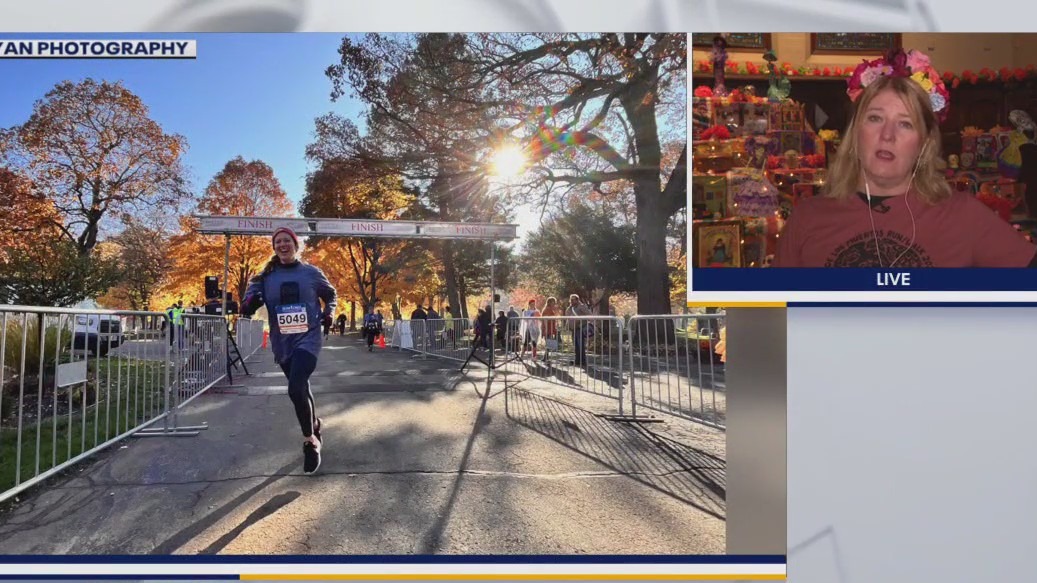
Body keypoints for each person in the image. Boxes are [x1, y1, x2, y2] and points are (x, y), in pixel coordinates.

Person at [774, 48, 1037, 268]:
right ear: (855, 133)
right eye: (875, 118)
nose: (887, 135)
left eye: (906, 124)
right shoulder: (807, 218)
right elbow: (770, 324)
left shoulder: (963, 215)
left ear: (924, 144)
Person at [240, 227, 337, 474]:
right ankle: (314, 424)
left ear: (296, 245)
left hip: (309, 338)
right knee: (301, 388)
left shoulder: (311, 273)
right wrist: (251, 303)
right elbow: (246, 307)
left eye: (287, 241)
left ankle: (310, 442)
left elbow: (331, 294)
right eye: (278, 242)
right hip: (282, 342)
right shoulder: (264, 277)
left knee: (295, 386)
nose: (283, 245)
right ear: (274, 247)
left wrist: (329, 313)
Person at [564, 294, 591, 367]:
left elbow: (589, 314)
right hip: (573, 329)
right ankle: (577, 360)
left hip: (580, 328)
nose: (572, 301)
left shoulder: (581, 306)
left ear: (577, 300)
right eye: (571, 299)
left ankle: (583, 361)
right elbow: (568, 316)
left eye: (573, 299)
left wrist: (581, 320)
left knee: (580, 345)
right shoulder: (570, 308)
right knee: (575, 345)